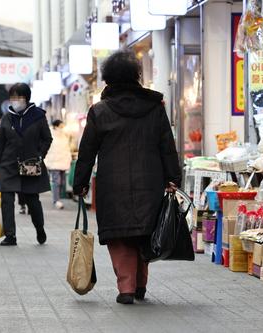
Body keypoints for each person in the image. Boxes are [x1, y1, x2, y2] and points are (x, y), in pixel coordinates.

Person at [73, 51, 181, 305]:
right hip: (150, 182)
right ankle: (140, 284)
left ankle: (126, 288)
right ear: (136, 76)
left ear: (108, 78)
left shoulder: (100, 111)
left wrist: (80, 183)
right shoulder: (155, 108)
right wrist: (173, 177)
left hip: (113, 184)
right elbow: (167, 145)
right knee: (144, 233)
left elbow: (87, 152)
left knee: (120, 236)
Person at [0, 83, 53, 246]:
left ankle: (39, 228)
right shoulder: (7, 117)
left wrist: (39, 155)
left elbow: (47, 139)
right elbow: (0, 145)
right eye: (12, 97)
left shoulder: (38, 116)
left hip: (30, 165)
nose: (15, 101)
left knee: (32, 201)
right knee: (6, 200)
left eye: (19, 97)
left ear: (26, 98)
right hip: (8, 165)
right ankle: (10, 236)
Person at [44, 119, 72, 209]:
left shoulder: (64, 136)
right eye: (61, 126)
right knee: (57, 181)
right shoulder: (50, 134)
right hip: (54, 162)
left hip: (63, 162)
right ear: (56, 126)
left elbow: (66, 149)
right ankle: (56, 200)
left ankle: (57, 198)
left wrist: (68, 159)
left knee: (62, 182)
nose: (62, 128)